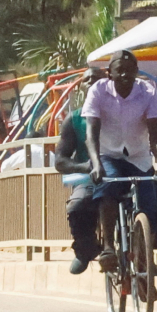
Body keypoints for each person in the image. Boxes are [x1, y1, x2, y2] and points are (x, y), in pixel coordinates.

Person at [84, 50, 157, 280]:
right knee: (108, 190)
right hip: (108, 155)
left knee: (150, 204)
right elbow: (91, 133)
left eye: (130, 71)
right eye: (120, 71)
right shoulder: (97, 91)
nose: (125, 75)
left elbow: (155, 132)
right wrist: (96, 164)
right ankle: (108, 247)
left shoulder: (147, 91)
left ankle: (145, 255)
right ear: (110, 74)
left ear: (137, 72)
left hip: (138, 156)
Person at [54, 68, 107, 274]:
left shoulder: (119, 112)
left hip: (120, 171)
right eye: (87, 80)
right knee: (78, 205)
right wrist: (84, 166)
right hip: (89, 177)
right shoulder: (74, 119)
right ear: (81, 88)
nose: (92, 83)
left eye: (98, 79)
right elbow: (60, 160)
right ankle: (85, 249)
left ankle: (144, 253)